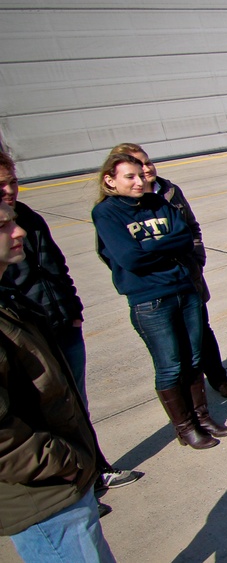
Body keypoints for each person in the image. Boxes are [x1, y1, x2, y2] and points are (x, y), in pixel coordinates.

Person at [0, 155, 140, 510]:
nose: (10, 189)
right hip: (28, 339)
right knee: (41, 413)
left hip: (61, 325)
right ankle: (75, 481)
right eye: (1, 184)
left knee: (74, 403)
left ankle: (95, 471)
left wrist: (73, 310)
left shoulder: (27, 217)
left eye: (12, 180)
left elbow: (56, 266)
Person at [0, 201, 117, 561]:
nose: (18, 232)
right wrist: (70, 462)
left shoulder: (6, 296)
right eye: (3, 225)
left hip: (62, 488)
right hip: (44, 497)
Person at [93, 153, 227, 449]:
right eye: (129, 177)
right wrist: (161, 246)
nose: (139, 181)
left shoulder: (159, 203)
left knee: (194, 358)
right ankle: (185, 428)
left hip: (184, 289)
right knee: (170, 365)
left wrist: (149, 247)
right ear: (110, 180)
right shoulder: (107, 213)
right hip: (150, 299)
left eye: (141, 175)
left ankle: (202, 417)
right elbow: (129, 257)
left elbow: (183, 236)